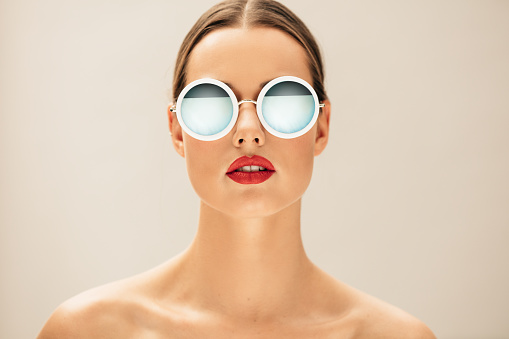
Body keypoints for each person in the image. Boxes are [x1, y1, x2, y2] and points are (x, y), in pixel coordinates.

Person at [37, 0, 436, 337]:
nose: (248, 133)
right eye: (212, 103)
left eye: (283, 101)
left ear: (321, 126)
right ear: (177, 130)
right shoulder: (88, 331)